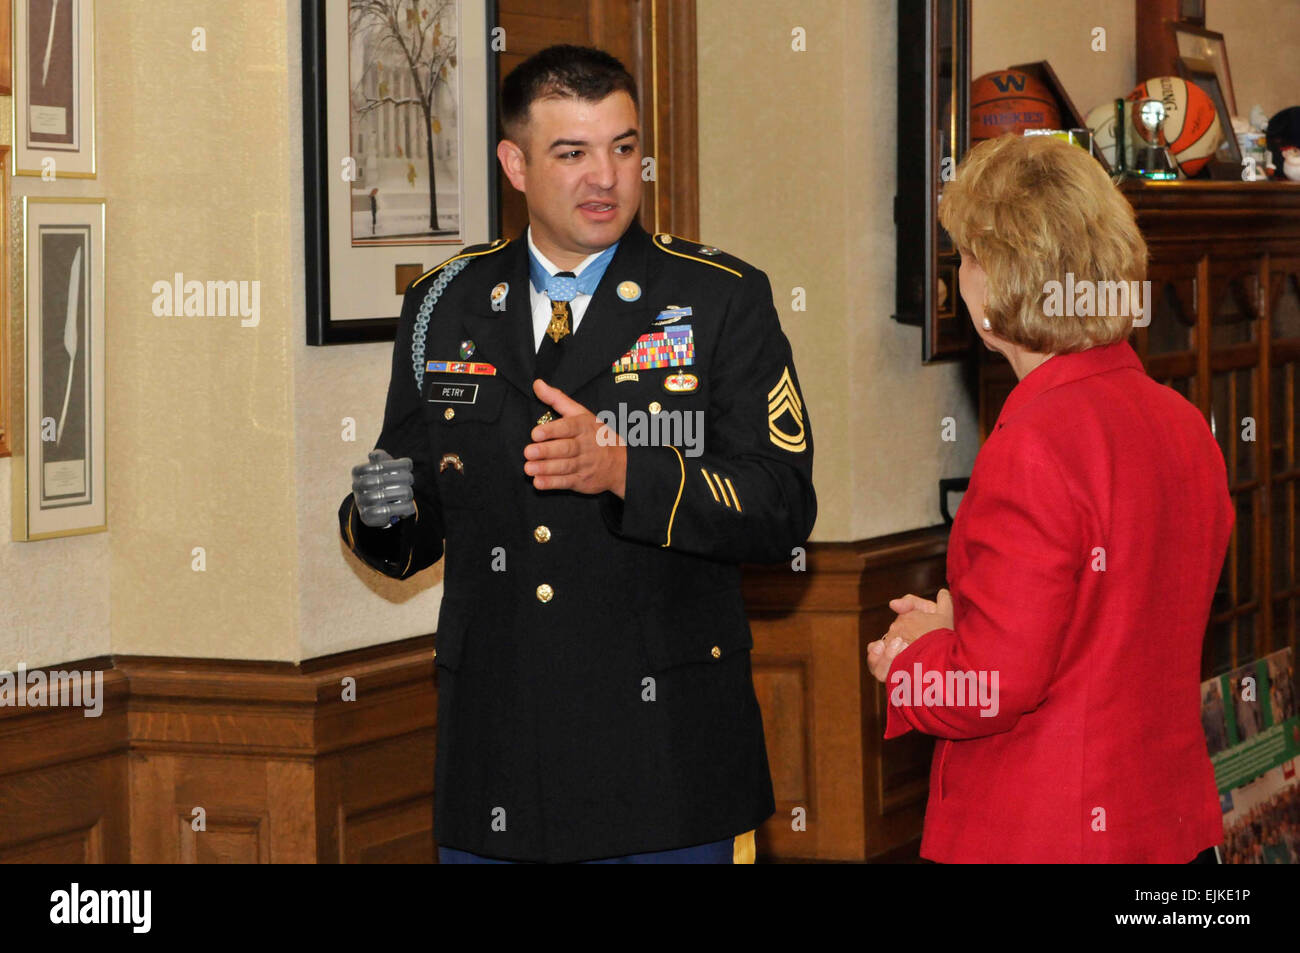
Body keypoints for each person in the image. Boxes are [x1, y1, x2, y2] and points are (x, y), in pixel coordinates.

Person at [339, 45, 815, 863]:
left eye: (624, 148)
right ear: (514, 164)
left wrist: (627, 471)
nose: (607, 177)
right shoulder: (444, 303)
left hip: (666, 763)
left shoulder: (717, 297)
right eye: (573, 153)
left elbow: (780, 508)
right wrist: (377, 514)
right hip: (498, 766)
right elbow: (421, 502)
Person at [867, 133, 1233, 863]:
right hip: (1168, 826)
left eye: (967, 256)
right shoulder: (1182, 421)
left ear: (1003, 281)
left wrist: (908, 660)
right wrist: (956, 624)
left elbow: (994, 689)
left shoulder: (1035, 439)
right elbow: (1109, 626)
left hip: (1045, 832)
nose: (959, 275)